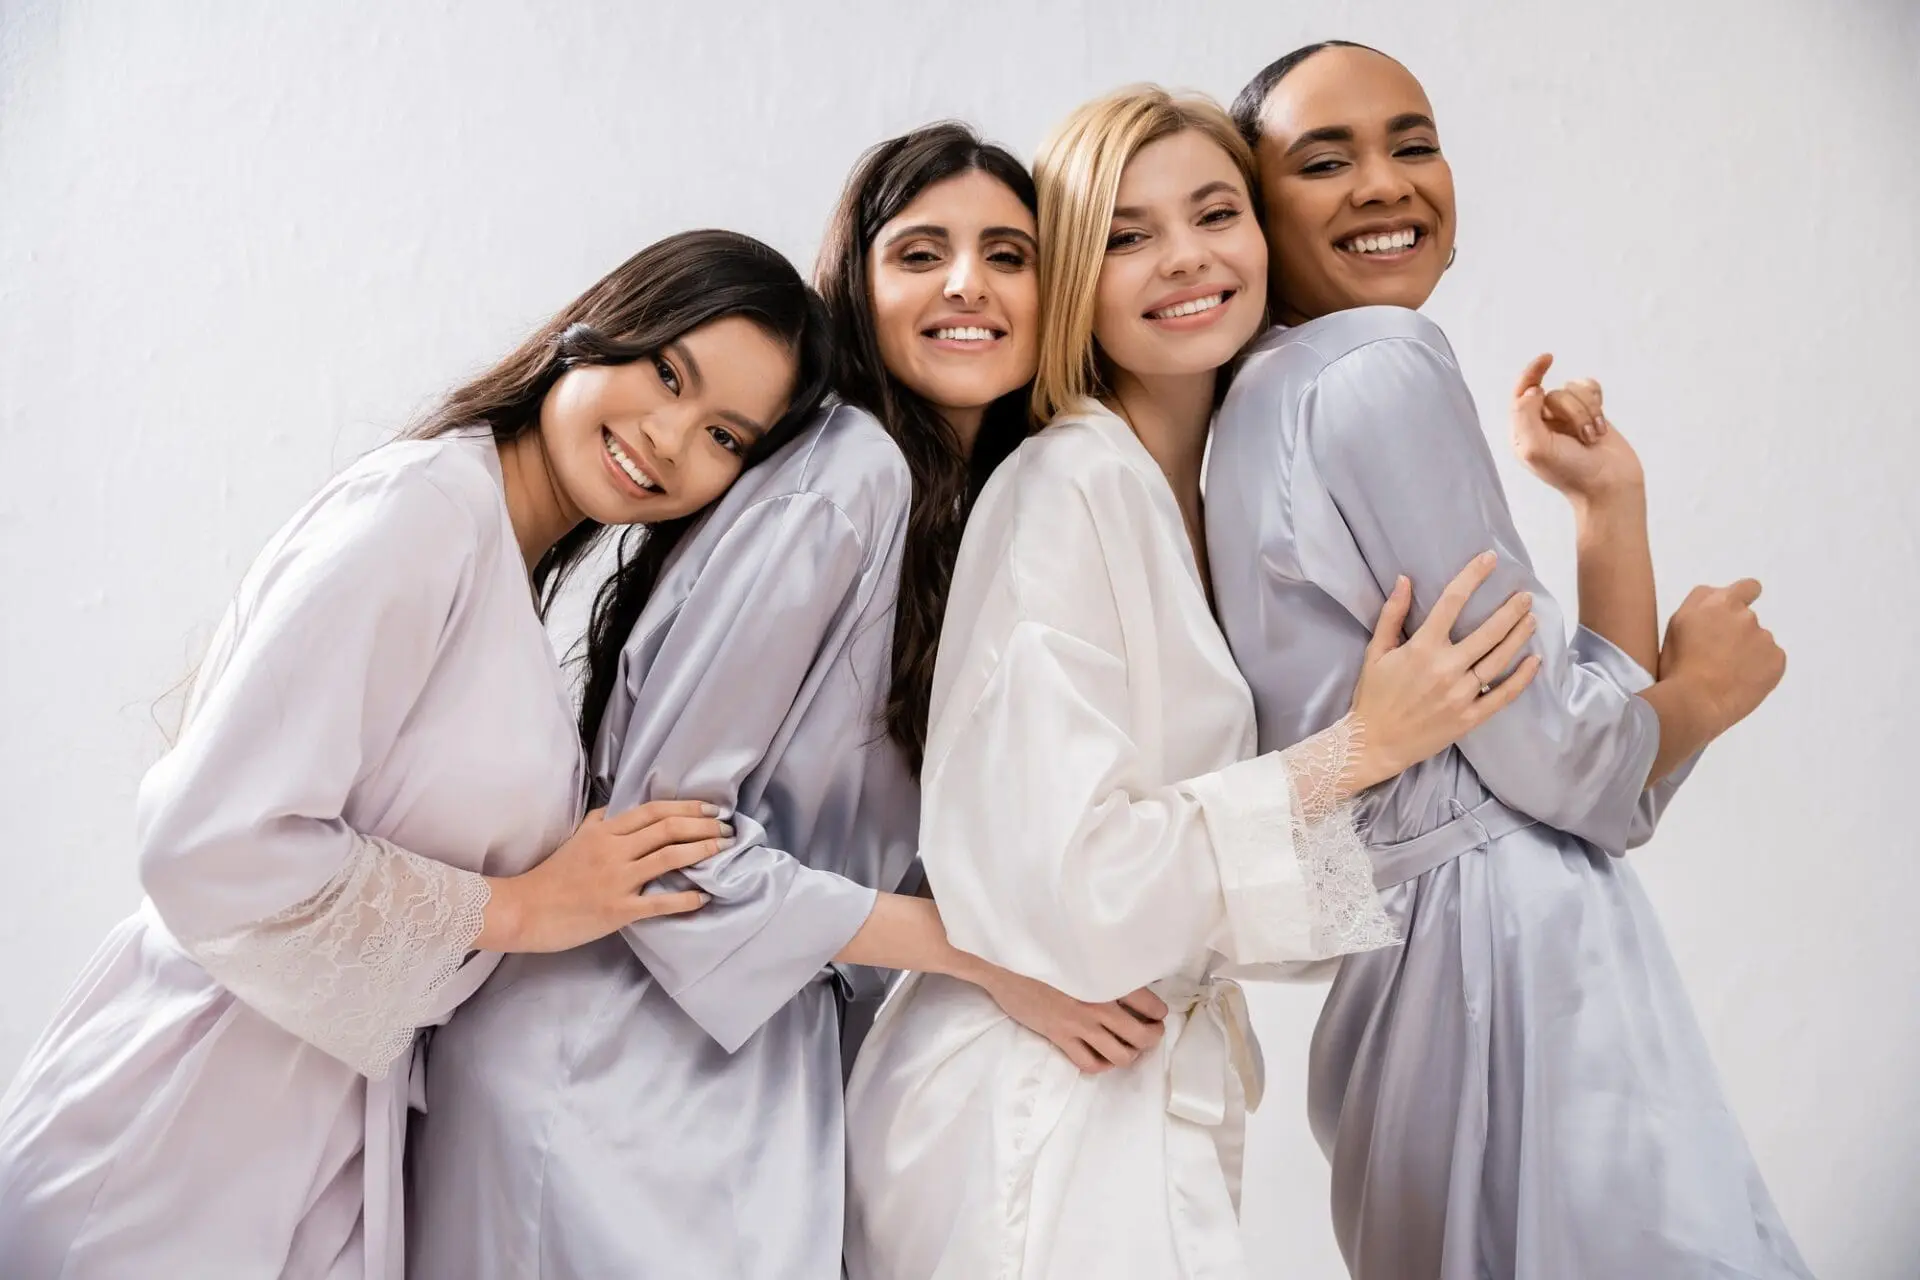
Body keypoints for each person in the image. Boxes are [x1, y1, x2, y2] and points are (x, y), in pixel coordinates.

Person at [409, 125, 1168, 1280]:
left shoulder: (968, 510)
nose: (967, 282)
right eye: (921, 252)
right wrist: (998, 957)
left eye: (1006, 254)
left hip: (739, 1067)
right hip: (611, 1069)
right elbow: (667, 846)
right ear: (857, 288)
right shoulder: (846, 472)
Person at [0, 229, 829, 1279]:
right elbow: (205, 840)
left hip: (318, 1152)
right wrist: (522, 906)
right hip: (178, 1129)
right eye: (668, 372)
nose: (669, 437)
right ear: (603, 322)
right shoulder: (425, 509)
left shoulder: (499, 572)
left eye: (723, 435)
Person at [844, 86, 1542, 1279]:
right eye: (1125, 234)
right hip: (1027, 1101)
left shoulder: (1213, 500)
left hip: (1129, 1076)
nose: (1185, 258)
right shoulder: (1068, 486)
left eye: (1216, 212)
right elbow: (1070, 884)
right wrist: (1356, 750)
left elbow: (1246, 902)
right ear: (1071, 274)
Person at [1206, 41, 1809, 1279]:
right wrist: (1702, 686)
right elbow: (1584, 774)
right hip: (1509, 958)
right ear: (1257, 211)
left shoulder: (1260, 397)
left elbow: (1569, 758)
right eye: (1325, 161)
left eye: (1412, 142)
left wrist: (1606, 511)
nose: (1385, 183)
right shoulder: (1379, 365)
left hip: (1420, 963)